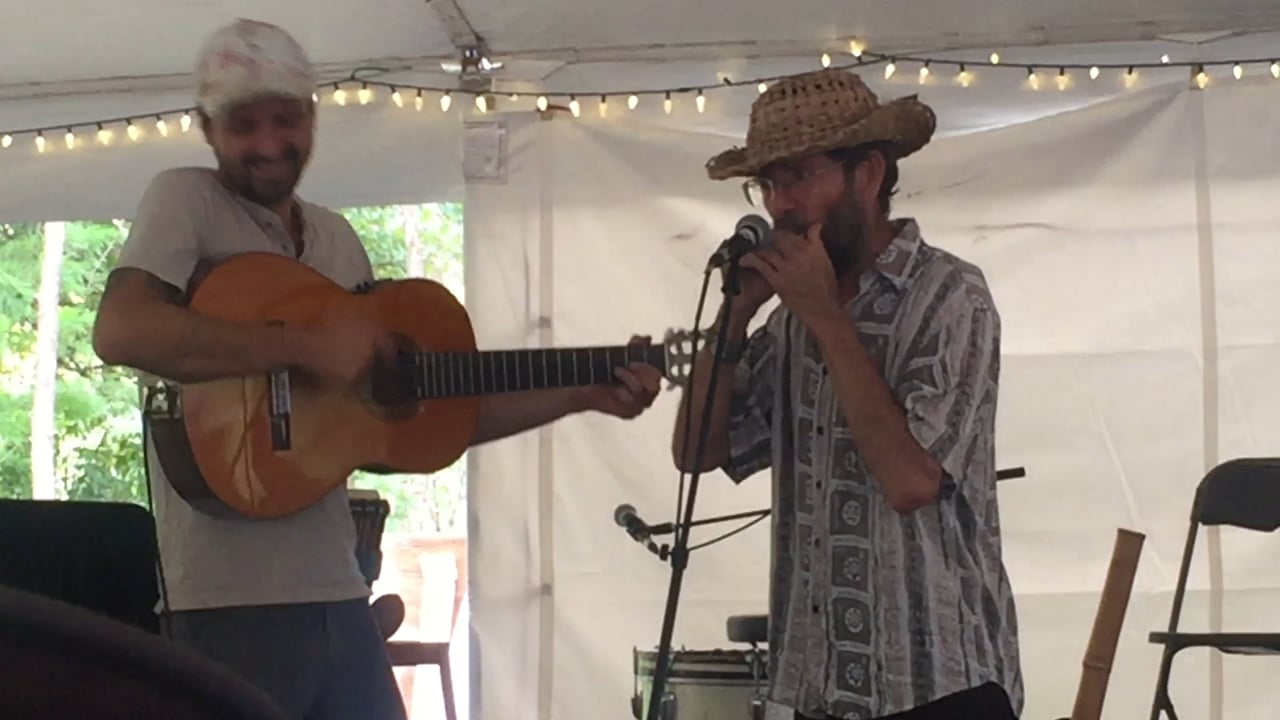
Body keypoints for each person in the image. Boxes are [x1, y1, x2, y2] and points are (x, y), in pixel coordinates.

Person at [91, 18, 663, 720]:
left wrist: (581, 394)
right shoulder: (186, 199)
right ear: (206, 129)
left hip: (339, 593)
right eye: (245, 125)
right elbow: (120, 330)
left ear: (313, 117)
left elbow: (413, 423)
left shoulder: (336, 239)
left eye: (286, 119)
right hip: (225, 607)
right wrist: (302, 347)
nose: (270, 144)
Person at [670, 69, 1023, 719]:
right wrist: (732, 321)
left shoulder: (951, 298)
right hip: (817, 688)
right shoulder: (788, 321)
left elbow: (910, 481)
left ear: (868, 173)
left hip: (939, 689)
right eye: (768, 184)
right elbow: (698, 453)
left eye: (800, 176)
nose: (780, 204)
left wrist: (828, 317)